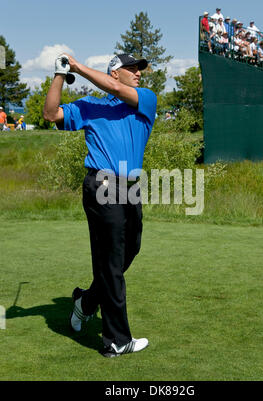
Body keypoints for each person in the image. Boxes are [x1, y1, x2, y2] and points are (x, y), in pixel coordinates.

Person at [43, 53, 157, 358]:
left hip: (132, 187)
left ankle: (86, 302)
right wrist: (60, 74)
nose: (138, 74)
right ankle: (117, 340)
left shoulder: (145, 100)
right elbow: (51, 114)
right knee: (111, 260)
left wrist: (79, 67)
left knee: (129, 251)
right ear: (114, 72)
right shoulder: (89, 106)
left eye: (139, 70)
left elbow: (118, 91)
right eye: (132, 69)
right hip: (102, 185)